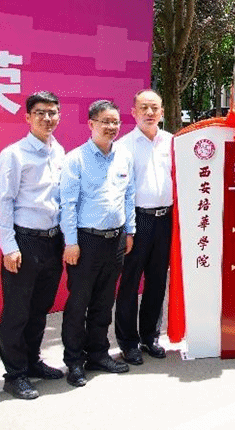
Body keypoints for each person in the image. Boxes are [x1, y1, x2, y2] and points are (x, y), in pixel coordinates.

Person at [60, 99, 135, 387]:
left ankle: (98, 354)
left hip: (115, 240)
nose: (111, 127)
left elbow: (128, 196)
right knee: (79, 303)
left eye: (115, 122)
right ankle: (74, 361)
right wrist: (71, 242)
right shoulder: (76, 159)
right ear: (91, 124)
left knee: (104, 302)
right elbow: (67, 204)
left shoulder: (124, 156)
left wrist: (130, 231)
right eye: (105, 121)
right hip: (85, 241)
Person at [0, 92, 66, 400]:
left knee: (40, 307)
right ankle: (15, 374)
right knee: (17, 311)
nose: (47, 118)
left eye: (52, 112)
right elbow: (4, 202)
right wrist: (9, 246)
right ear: (27, 117)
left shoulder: (59, 151)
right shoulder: (14, 154)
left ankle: (33, 361)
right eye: (40, 113)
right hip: (24, 241)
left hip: (52, 241)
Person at [115, 89, 173, 365]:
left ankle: (150, 336)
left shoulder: (172, 142)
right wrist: (128, 229)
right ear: (133, 112)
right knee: (130, 282)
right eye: (143, 108)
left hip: (166, 219)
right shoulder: (123, 146)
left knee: (157, 280)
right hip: (138, 220)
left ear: (162, 112)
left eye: (154, 108)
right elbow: (121, 191)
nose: (149, 113)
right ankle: (128, 342)